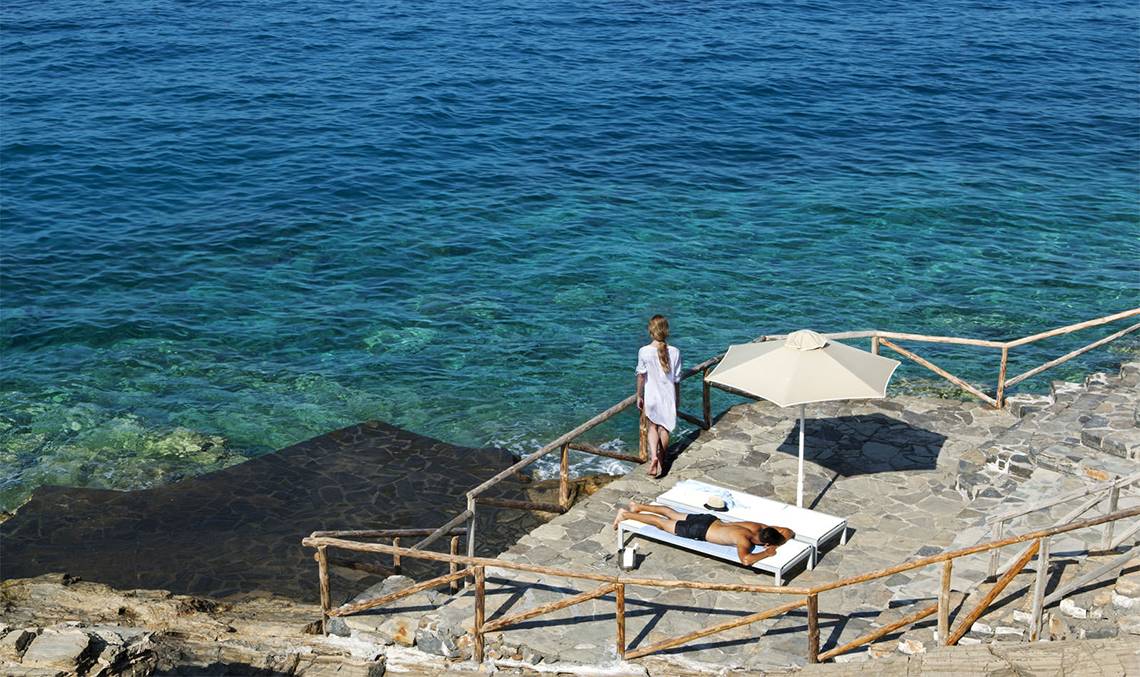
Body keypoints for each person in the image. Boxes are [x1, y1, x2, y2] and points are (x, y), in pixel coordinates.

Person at [611, 500, 795, 567]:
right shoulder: (744, 541)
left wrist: (777, 540)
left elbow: (788, 531)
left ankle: (638, 506)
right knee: (661, 523)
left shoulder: (757, 526)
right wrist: (767, 553)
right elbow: (746, 560)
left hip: (709, 520)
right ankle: (625, 514)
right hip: (699, 530)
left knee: (671, 513)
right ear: (766, 542)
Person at [636, 315, 681, 478]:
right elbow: (676, 379)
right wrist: (677, 398)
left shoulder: (644, 351)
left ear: (650, 331)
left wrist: (639, 395)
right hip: (667, 396)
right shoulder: (675, 352)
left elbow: (641, 376)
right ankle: (662, 458)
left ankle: (654, 457)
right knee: (664, 428)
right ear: (666, 331)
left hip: (651, 396)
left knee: (652, 427)